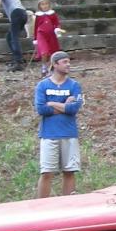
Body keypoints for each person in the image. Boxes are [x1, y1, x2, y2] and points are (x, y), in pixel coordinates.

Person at [34, 51, 83, 198]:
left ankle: (68, 205)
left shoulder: (74, 85)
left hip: (69, 134)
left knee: (69, 171)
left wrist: (52, 103)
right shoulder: (43, 85)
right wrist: (64, 106)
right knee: (46, 172)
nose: (68, 65)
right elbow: (41, 109)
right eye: (65, 62)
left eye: (69, 62)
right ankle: (41, 206)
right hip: (49, 134)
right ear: (55, 64)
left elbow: (74, 108)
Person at [0, 0, 28, 70]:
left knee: (14, 38)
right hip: (23, 14)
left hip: (16, 13)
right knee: (9, 37)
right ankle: (17, 58)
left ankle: (18, 62)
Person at [31, 0, 63, 73]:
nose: (45, 6)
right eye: (42, 4)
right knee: (44, 51)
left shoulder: (52, 14)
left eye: (46, 4)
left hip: (51, 35)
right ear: (39, 6)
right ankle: (44, 66)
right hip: (41, 34)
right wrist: (35, 38)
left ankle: (52, 67)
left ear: (49, 4)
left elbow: (56, 23)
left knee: (53, 51)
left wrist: (57, 29)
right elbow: (36, 27)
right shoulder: (38, 16)